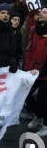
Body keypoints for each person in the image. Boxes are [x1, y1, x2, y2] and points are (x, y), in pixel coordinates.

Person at [24, 7, 47, 136]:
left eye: (44, 12)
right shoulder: (33, 30)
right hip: (34, 69)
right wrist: (27, 69)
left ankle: (46, 125)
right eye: (40, 12)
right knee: (27, 94)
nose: (40, 14)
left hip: (44, 71)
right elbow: (30, 51)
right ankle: (39, 116)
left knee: (42, 99)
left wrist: (39, 71)